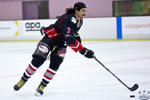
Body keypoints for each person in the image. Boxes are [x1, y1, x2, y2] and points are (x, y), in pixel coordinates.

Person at [13, 2, 94, 96]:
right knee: (38, 60)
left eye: (85, 11)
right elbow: (69, 38)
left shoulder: (80, 21)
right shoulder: (68, 18)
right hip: (50, 39)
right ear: (76, 10)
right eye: (83, 11)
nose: (85, 13)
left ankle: (42, 86)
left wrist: (79, 42)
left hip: (61, 44)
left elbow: (72, 33)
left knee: (55, 65)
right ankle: (23, 80)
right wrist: (83, 50)